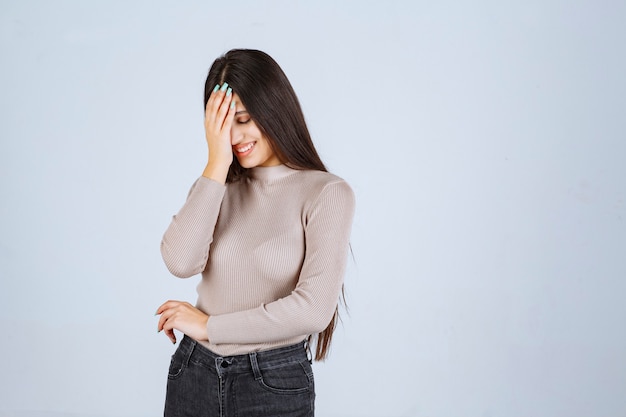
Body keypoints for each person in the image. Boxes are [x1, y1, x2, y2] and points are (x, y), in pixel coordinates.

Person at [155, 49, 355, 417]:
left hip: (271, 383)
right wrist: (216, 163)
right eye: (222, 124)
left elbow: (313, 310)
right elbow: (180, 262)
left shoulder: (326, 193)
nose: (233, 136)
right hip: (194, 374)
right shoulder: (217, 187)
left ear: (274, 110)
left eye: (243, 119)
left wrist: (209, 326)